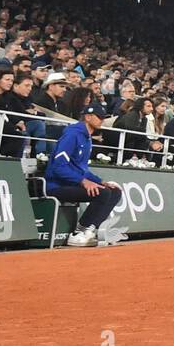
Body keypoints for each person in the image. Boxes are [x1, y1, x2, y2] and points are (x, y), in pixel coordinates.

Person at [45, 99, 123, 248]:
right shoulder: (72, 134)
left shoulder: (87, 138)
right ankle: (79, 232)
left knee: (114, 191)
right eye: (99, 117)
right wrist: (83, 181)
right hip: (56, 185)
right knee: (103, 194)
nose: (102, 120)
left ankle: (88, 229)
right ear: (88, 117)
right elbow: (59, 167)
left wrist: (99, 181)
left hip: (72, 183)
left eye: (103, 117)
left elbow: (81, 169)